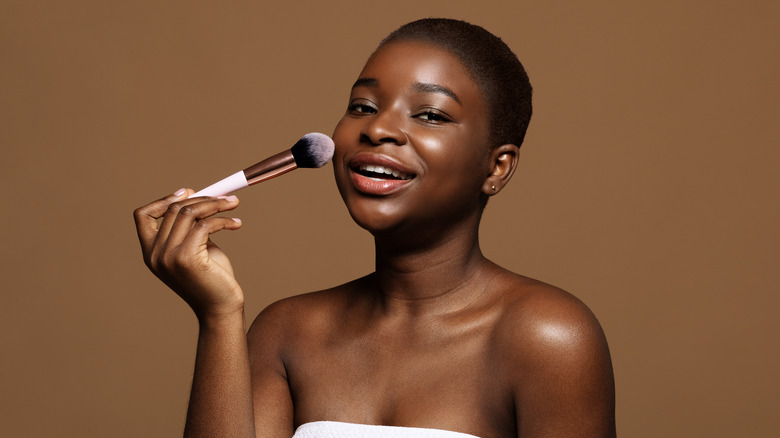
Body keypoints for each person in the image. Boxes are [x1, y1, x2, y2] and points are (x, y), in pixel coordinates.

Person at [134, 18, 615, 438]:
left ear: (497, 167)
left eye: (430, 114)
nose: (378, 128)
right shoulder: (287, 333)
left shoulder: (549, 339)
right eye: (362, 106)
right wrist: (218, 316)